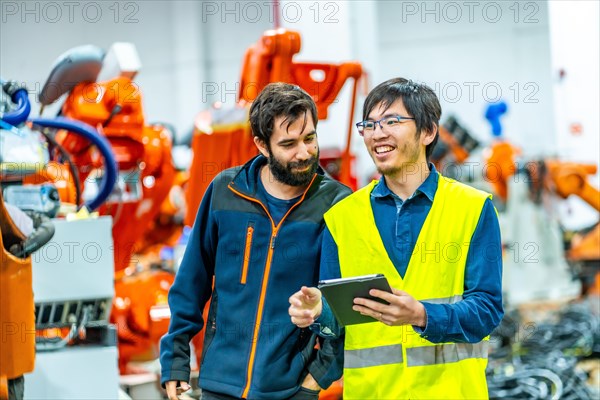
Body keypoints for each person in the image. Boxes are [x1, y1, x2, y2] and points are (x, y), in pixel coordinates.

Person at [289, 77, 504, 399]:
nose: (378, 134)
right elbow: (341, 320)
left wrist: (422, 315)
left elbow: (486, 311)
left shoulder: (473, 208)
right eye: (370, 124)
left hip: (451, 392)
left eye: (392, 121)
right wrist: (319, 313)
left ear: (428, 131)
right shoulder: (341, 218)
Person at [160, 82, 351, 400]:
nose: (303, 153)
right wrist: (176, 362)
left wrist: (316, 381)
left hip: (289, 390)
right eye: (288, 144)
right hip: (219, 385)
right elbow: (190, 284)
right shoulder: (226, 191)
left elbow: (343, 306)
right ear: (262, 145)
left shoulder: (337, 204)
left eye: (309, 138)